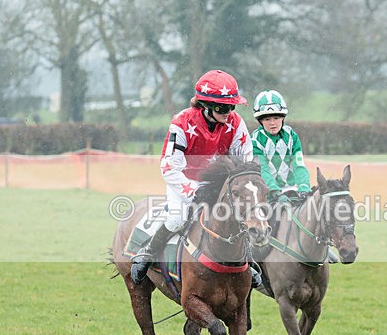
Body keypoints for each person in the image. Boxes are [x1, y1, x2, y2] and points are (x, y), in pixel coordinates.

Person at [130, 69, 259, 285]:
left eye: (232, 107)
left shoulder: (236, 123)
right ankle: (147, 253)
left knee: (238, 217)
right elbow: (169, 167)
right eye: (222, 107)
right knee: (178, 219)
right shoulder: (181, 122)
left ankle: (249, 263)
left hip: (218, 184)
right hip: (183, 181)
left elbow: (245, 159)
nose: (228, 112)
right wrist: (193, 191)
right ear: (205, 105)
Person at [250, 89, 338, 263]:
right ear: (260, 121)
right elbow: (263, 170)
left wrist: (304, 188)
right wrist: (275, 192)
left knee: (315, 211)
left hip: (292, 188)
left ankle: (324, 248)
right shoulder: (255, 140)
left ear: (283, 117)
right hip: (267, 191)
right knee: (272, 216)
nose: (272, 123)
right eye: (267, 119)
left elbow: (298, 165)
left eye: (276, 118)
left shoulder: (292, 136)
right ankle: (259, 252)